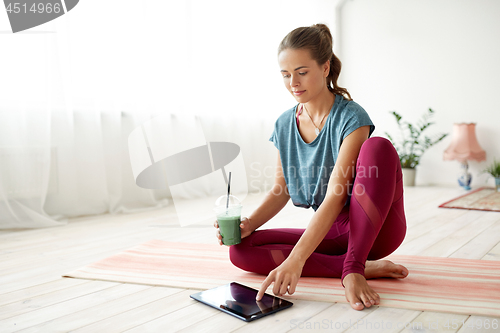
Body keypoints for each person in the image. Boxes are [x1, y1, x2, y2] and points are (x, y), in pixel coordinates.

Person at [214, 23, 408, 311]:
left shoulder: (352, 117)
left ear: (326, 68)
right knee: (240, 251)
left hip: (374, 227)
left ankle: (353, 267)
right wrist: (249, 225)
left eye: (302, 72)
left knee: (378, 147)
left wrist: (297, 260)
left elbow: (335, 194)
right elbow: (282, 190)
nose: (293, 82)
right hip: (334, 229)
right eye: (285, 74)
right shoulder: (284, 123)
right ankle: (356, 266)